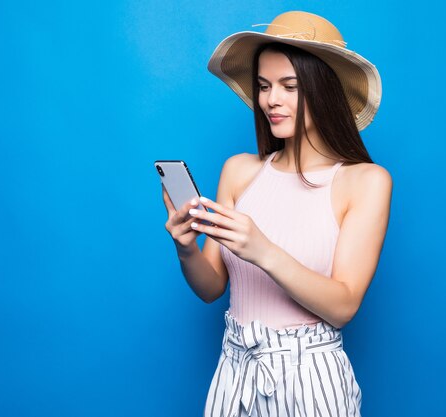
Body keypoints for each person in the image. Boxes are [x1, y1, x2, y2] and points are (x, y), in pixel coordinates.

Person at [161, 11, 392, 417]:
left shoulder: (365, 181)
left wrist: (262, 249)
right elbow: (211, 287)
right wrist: (185, 250)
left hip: (311, 376)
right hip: (236, 369)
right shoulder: (239, 170)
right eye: (265, 86)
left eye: (290, 86)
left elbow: (343, 306)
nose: (271, 100)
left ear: (325, 91)